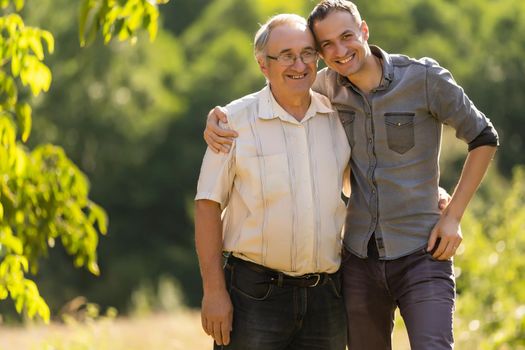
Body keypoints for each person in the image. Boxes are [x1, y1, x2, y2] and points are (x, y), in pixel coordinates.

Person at [203, 1, 499, 349]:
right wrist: (218, 117)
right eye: (326, 45)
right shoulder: (325, 88)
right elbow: (277, 94)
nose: (339, 51)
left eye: (346, 36)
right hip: (359, 259)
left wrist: (453, 215)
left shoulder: (423, 79)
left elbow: (483, 137)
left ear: (364, 31)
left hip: (422, 250)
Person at [194, 14, 350, 350]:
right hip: (253, 296)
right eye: (286, 56)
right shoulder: (232, 122)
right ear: (264, 65)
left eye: (308, 53)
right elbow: (207, 204)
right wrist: (214, 291)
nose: (299, 64)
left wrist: (431, 193)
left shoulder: (339, 118)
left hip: (326, 298)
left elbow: (372, 180)